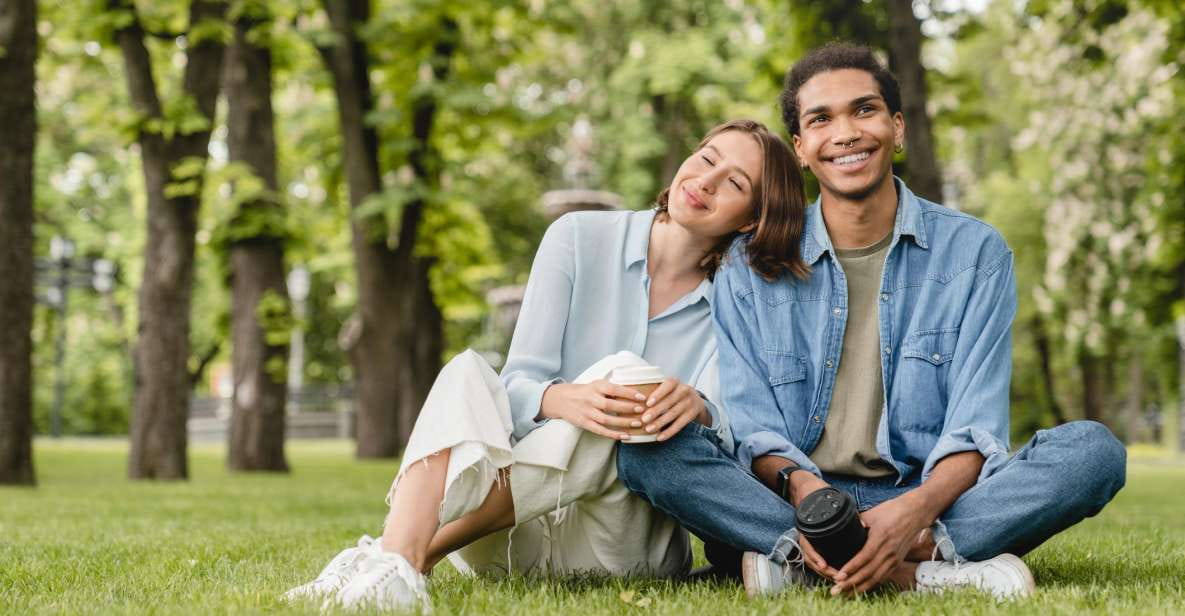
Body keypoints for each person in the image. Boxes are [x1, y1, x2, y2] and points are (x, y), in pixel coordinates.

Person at [616, 42, 1127, 600]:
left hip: (928, 500)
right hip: (796, 499)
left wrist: (913, 514)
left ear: (897, 127)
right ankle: (922, 573)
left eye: (864, 110)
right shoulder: (750, 265)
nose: (846, 133)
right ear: (801, 148)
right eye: (821, 119)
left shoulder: (976, 254)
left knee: (1092, 453)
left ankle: (807, 563)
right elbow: (755, 429)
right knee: (649, 451)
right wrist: (812, 502)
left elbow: (975, 429)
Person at [283, 119, 809, 611]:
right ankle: (395, 563)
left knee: (624, 385)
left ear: (752, 218)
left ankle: (394, 558)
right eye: (707, 158)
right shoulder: (577, 236)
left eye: (734, 182)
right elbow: (515, 384)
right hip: (510, 540)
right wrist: (563, 399)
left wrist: (700, 409)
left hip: (619, 547)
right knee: (466, 369)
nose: (706, 180)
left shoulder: (737, 302)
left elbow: (729, 443)